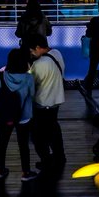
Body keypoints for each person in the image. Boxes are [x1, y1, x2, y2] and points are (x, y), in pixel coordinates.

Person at [0, 47, 39, 182]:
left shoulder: (1, 76)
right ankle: (25, 172)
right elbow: (32, 95)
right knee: (23, 144)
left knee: (2, 141)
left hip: (5, 115)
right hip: (23, 116)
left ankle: (0, 170)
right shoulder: (29, 78)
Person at [26, 33, 66, 172]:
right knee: (54, 129)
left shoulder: (39, 64)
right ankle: (60, 156)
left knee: (38, 135)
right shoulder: (57, 53)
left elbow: (30, 84)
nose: (31, 53)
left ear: (37, 47)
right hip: (56, 100)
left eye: (32, 50)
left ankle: (46, 160)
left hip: (42, 104)